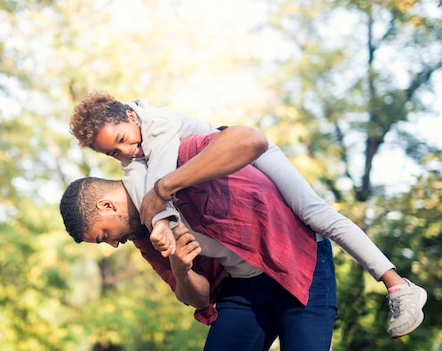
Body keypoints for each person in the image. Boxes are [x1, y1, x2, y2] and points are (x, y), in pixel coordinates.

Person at [69, 91, 427, 339]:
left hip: (242, 156)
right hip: (246, 282)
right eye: (114, 152)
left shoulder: (162, 130)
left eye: (122, 138)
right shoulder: (134, 163)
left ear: (131, 116)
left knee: (314, 213)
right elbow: (141, 184)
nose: (126, 151)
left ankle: (398, 285)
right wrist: (171, 247)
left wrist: (160, 208)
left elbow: (161, 181)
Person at [60, 129, 338, 350]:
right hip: (245, 286)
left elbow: (249, 139)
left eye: (104, 235)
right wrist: (182, 271)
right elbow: (199, 297)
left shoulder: (177, 159)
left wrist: (166, 187)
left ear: (106, 206)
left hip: (299, 258)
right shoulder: (144, 237)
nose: (113, 245)